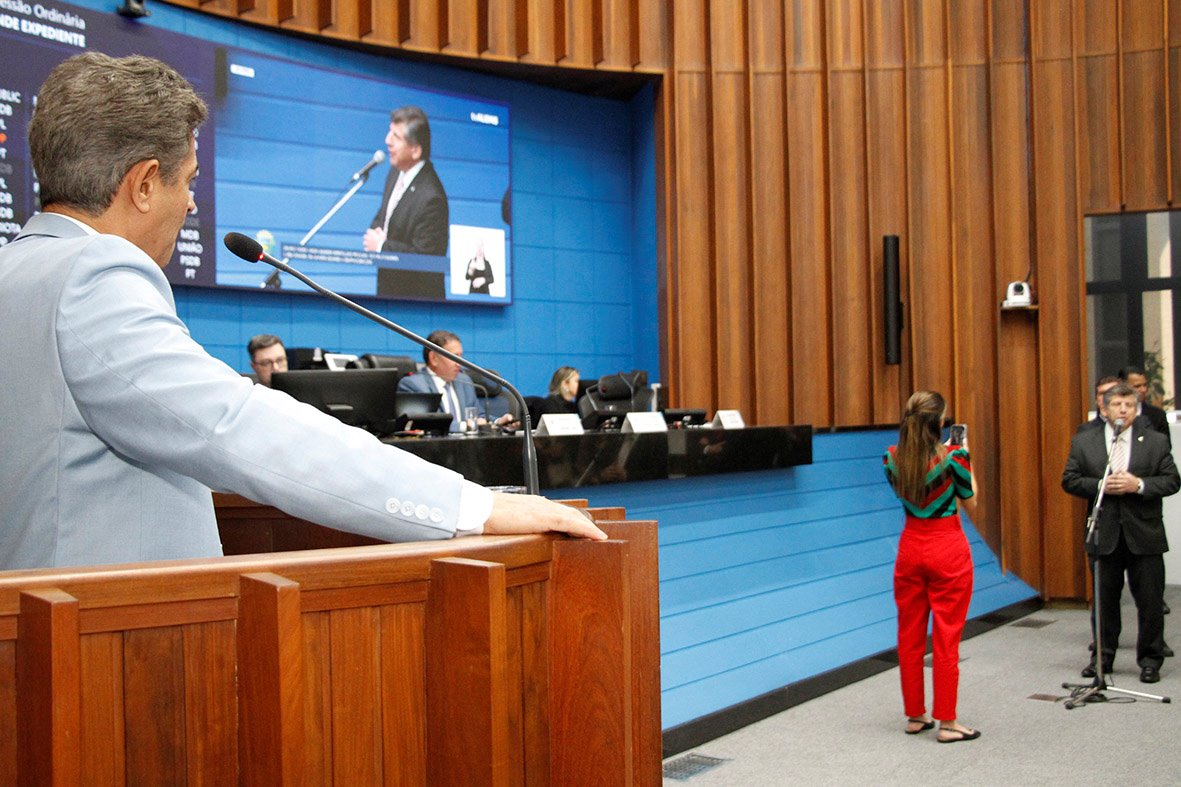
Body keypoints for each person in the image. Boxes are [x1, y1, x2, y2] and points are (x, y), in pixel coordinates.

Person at [0, 53, 604, 571]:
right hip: (107, 646)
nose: (191, 205)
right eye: (188, 182)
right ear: (143, 184)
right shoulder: (95, 277)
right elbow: (236, 428)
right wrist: (476, 507)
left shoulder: (15, 269)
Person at [1062, 381, 1178, 683]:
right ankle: (1102, 658)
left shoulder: (1154, 441)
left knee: (1150, 602)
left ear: (1136, 410)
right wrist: (1101, 485)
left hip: (1145, 534)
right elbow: (1070, 480)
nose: (1123, 410)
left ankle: (1150, 660)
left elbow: (1171, 481)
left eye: (1129, 405)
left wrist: (1138, 485)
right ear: (1104, 409)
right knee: (1104, 602)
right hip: (1105, 533)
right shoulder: (1084, 442)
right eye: (1117, 405)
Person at [882, 391, 980, 743]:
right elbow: (972, 500)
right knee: (946, 637)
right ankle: (948, 722)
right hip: (947, 548)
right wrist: (966, 455)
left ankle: (915, 715)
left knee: (909, 636)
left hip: (910, 547)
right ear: (940, 423)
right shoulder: (954, 458)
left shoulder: (891, 458)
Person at [363, 106, 449, 256]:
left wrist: (381, 247)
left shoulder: (432, 198)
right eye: (390, 132)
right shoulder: (396, 171)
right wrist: (375, 231)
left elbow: (425, 256)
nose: (387, 140)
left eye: (396, 136)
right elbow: (384, 214)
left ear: (415, 151)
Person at [397, 330, 514, 432]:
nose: (459, 362)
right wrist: (464, 426)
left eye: (460, 356)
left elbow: (478, 416)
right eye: (454, 356)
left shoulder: (464, 381)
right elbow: (422, 424)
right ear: (434, 358)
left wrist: (498, 422)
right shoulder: (413, 385)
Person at [1118, 365, 1171, 449]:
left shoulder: (1157, 416)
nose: (1143, 390)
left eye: (1145, 385)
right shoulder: (1112, 414)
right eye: (1137, 386)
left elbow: (1165, 447)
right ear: (1122, 385)